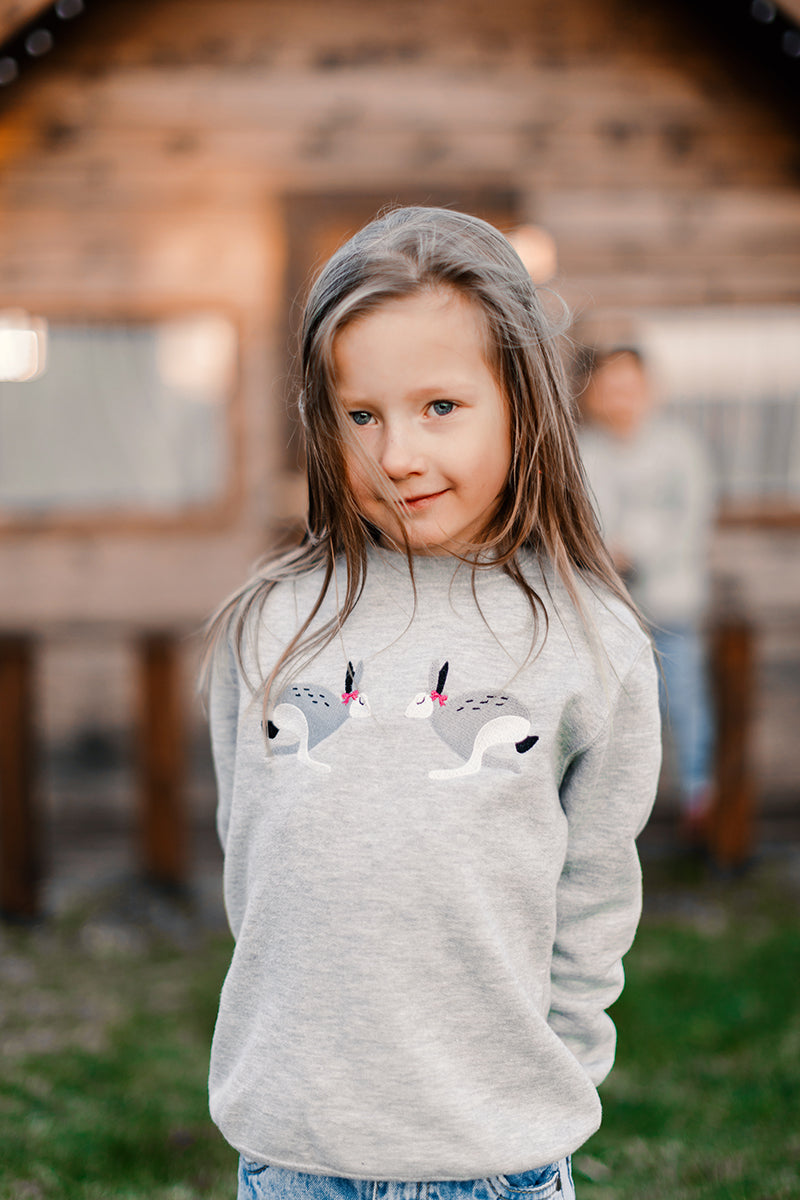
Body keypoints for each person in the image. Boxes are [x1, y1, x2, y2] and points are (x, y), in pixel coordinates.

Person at [202, 207, 662, 1200]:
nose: (397, 454)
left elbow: (592, 894)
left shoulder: (588, 645)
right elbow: (255, 861)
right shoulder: (267, 626)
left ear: (523, 406)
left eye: (440, 408)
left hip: (491, 1162)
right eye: (359, 415)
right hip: (293, 1160)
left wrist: (551, 1077)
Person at [575, 338, 715, 841]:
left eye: (629, 385)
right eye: (610, 387)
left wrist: (636, 547)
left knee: (686, 701)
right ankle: (626, 815)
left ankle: (700, 802)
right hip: (607, 610)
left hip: (671, 602)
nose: (620, 396)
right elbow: (581, 523)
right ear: (594, 395)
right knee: (621, 711)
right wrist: (606, 549)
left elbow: (691, 521)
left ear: (649, 389)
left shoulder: (679, 447)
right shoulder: (583, 451)